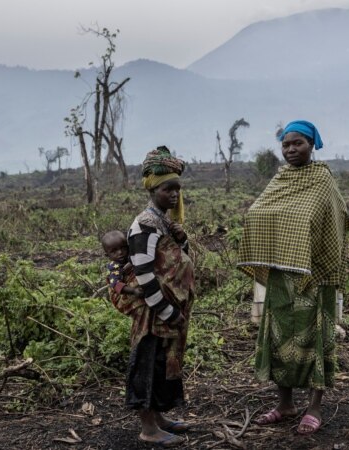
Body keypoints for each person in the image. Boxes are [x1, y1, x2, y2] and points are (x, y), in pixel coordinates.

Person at [237, 120, 349, 435]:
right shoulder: (280, 179)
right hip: (280, 276)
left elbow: (336, 219)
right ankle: (284, 403)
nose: (290, 150)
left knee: (315, 338)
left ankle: (314, 406)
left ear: (312, 144)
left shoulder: (322, 180)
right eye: (285, 145)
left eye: (297, 143)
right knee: (279, 336)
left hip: (314, 276)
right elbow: (257, 214)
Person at [125, 146, 195, 447]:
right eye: (168, 189)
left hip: (166, 307)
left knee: (164, 362)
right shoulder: (144, 224)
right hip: (153, 312)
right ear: (153, 189)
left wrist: (183, 239)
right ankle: (148, 428)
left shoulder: (163, 223)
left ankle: (160, 418)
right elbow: (144, 274)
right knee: (148, 363)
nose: (174, 195)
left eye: (177, 189)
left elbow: (178, 257)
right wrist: (167, 311)